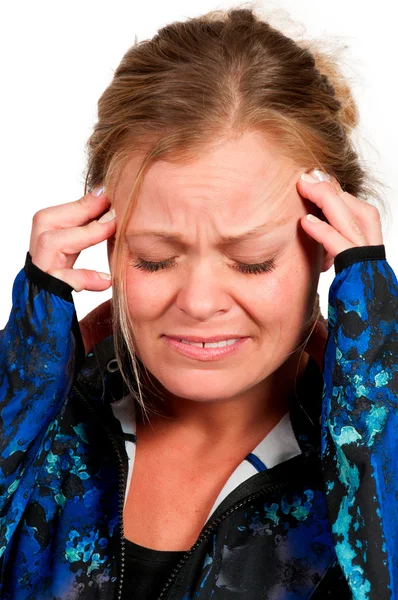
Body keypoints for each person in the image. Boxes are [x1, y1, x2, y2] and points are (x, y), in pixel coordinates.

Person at [0, 6, 397, 600]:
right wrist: (23, 380)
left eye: (254, 261)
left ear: (329, 248)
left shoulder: (368, 435)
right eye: (156, 259)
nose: (200, 301)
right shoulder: (41, 421)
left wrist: (375, 359)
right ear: (103, 241)